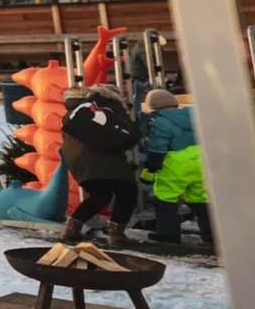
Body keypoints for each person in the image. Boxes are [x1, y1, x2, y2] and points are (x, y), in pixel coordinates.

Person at [60, 83, 142, 248]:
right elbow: (126, 133)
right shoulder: (109, 104)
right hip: (103, 158)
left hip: (76, 160)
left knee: (100, 194)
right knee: (128, 190)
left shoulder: (76, 110)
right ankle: (116, 234)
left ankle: (71, 229)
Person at [140, 88, 210, 245]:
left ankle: (168, 235)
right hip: (201, 160)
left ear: (154, 107)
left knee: (165, 198)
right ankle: (212, 235)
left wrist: (151, 169)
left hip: (175, 163)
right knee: (200, 198)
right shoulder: (194, 115)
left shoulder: (159, 121)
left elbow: (158, 149)